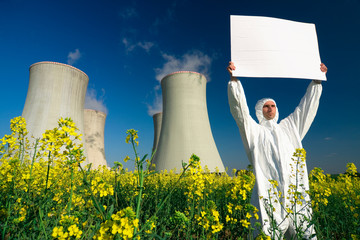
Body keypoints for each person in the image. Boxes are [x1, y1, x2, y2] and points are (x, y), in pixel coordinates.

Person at [227, 61, 327, 239]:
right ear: (260, 109)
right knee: (268, 234)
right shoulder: (255, 132)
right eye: (266, 106)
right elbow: (240, 112)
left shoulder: (289, 127)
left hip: (296, 195)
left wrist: (316, 83)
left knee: (305, 234)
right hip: (268, 196)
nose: (270, 109)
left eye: (273, 105)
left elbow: (306, 109)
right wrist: (234, 81)